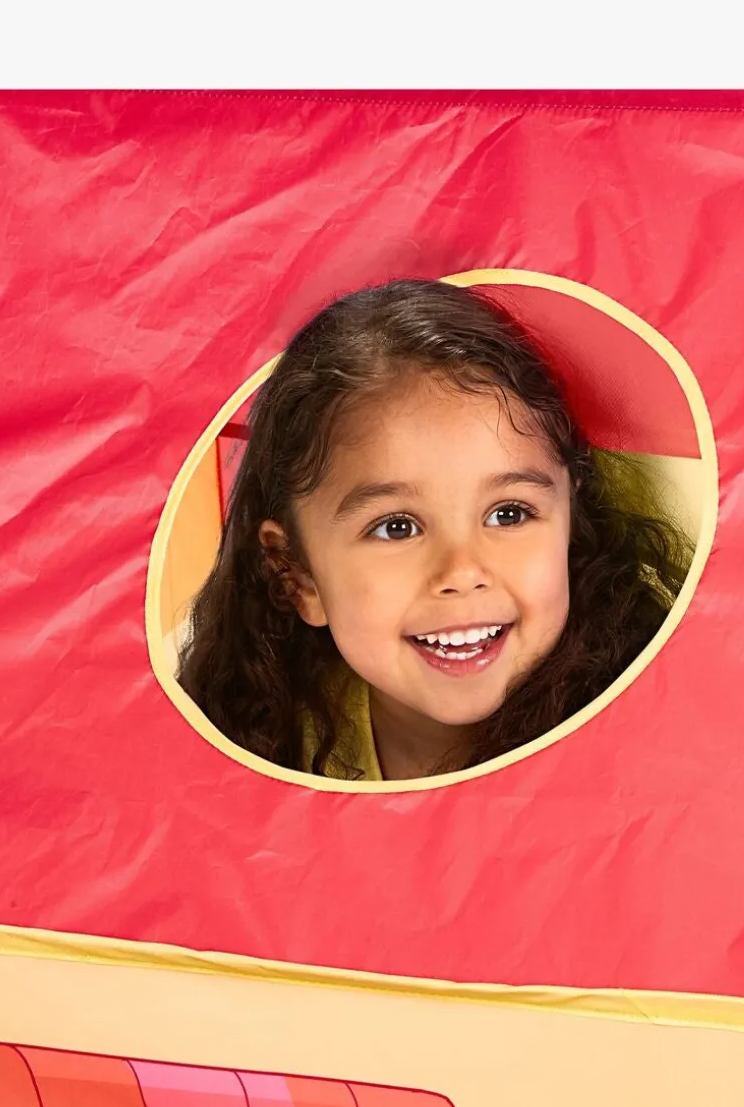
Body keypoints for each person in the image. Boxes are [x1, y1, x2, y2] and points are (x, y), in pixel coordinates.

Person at [178, 279, 692, 781]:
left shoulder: (658, 731)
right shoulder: (269, 741)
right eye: (396, 527)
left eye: (509, 514)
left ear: (571, 524)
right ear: (296, 575)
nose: (462, 572)